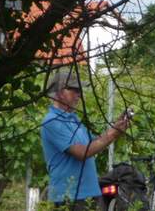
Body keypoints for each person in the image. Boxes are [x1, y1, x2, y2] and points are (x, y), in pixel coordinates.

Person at [41, 67, 130, 210]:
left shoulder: (73, 118)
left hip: (90, 193)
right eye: (75, 90)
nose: (79, 95)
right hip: (69, 197)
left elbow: (94, 143)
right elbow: (82, 153)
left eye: (80, 91)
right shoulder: (52, 121)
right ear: (60, 93)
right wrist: (113, 133)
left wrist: (115, 128)